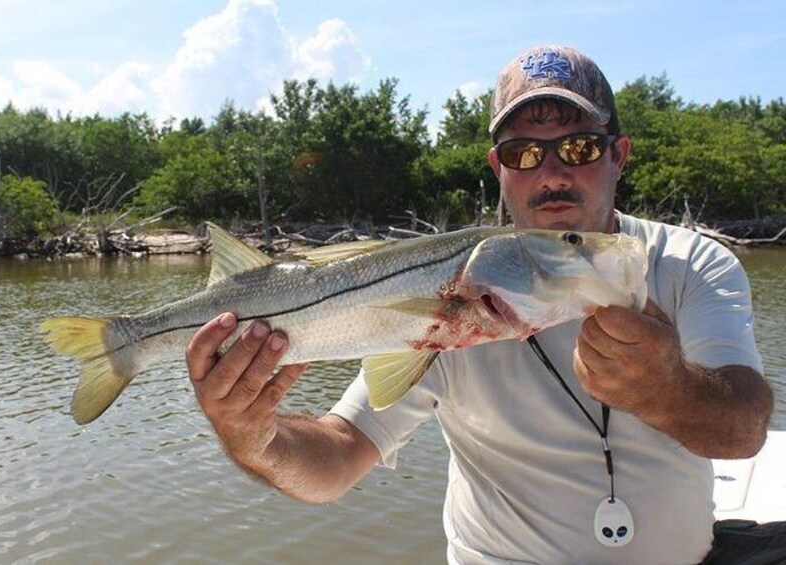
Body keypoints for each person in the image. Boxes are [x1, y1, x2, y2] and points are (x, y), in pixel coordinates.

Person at [186, 45, 774, 563]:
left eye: (578, 146)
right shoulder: (454, 291)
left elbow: (744, 432)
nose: (551, 173)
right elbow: (336, 461)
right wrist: (254, 437)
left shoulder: (690, 262)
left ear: (618, 154)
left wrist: (667, 388)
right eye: (522, 153)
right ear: (498, 169)